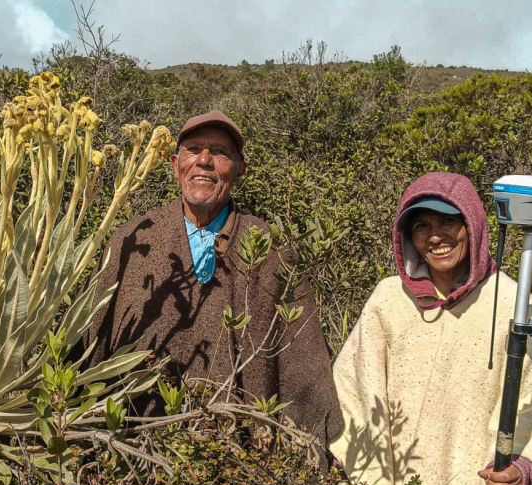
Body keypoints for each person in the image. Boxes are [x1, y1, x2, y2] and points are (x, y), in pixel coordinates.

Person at [329, 171, 532, 485]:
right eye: (422, 225)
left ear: (472, 224)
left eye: (448, 221)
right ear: (407, 237)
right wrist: (356, 481)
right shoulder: (387, 301)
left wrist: (521, 471)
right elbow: (352, 395)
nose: (436, 236)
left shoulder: (512, 302)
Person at [85, 110, 343, 450]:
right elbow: (91, 341)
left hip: (243, 459)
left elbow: (302, 358)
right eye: (193, 149)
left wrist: (306, 448)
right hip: (137, 449)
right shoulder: (134, 238)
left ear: (240, 168)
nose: (204, 160)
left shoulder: (269, 246)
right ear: (176, 163)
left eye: (219, 152)